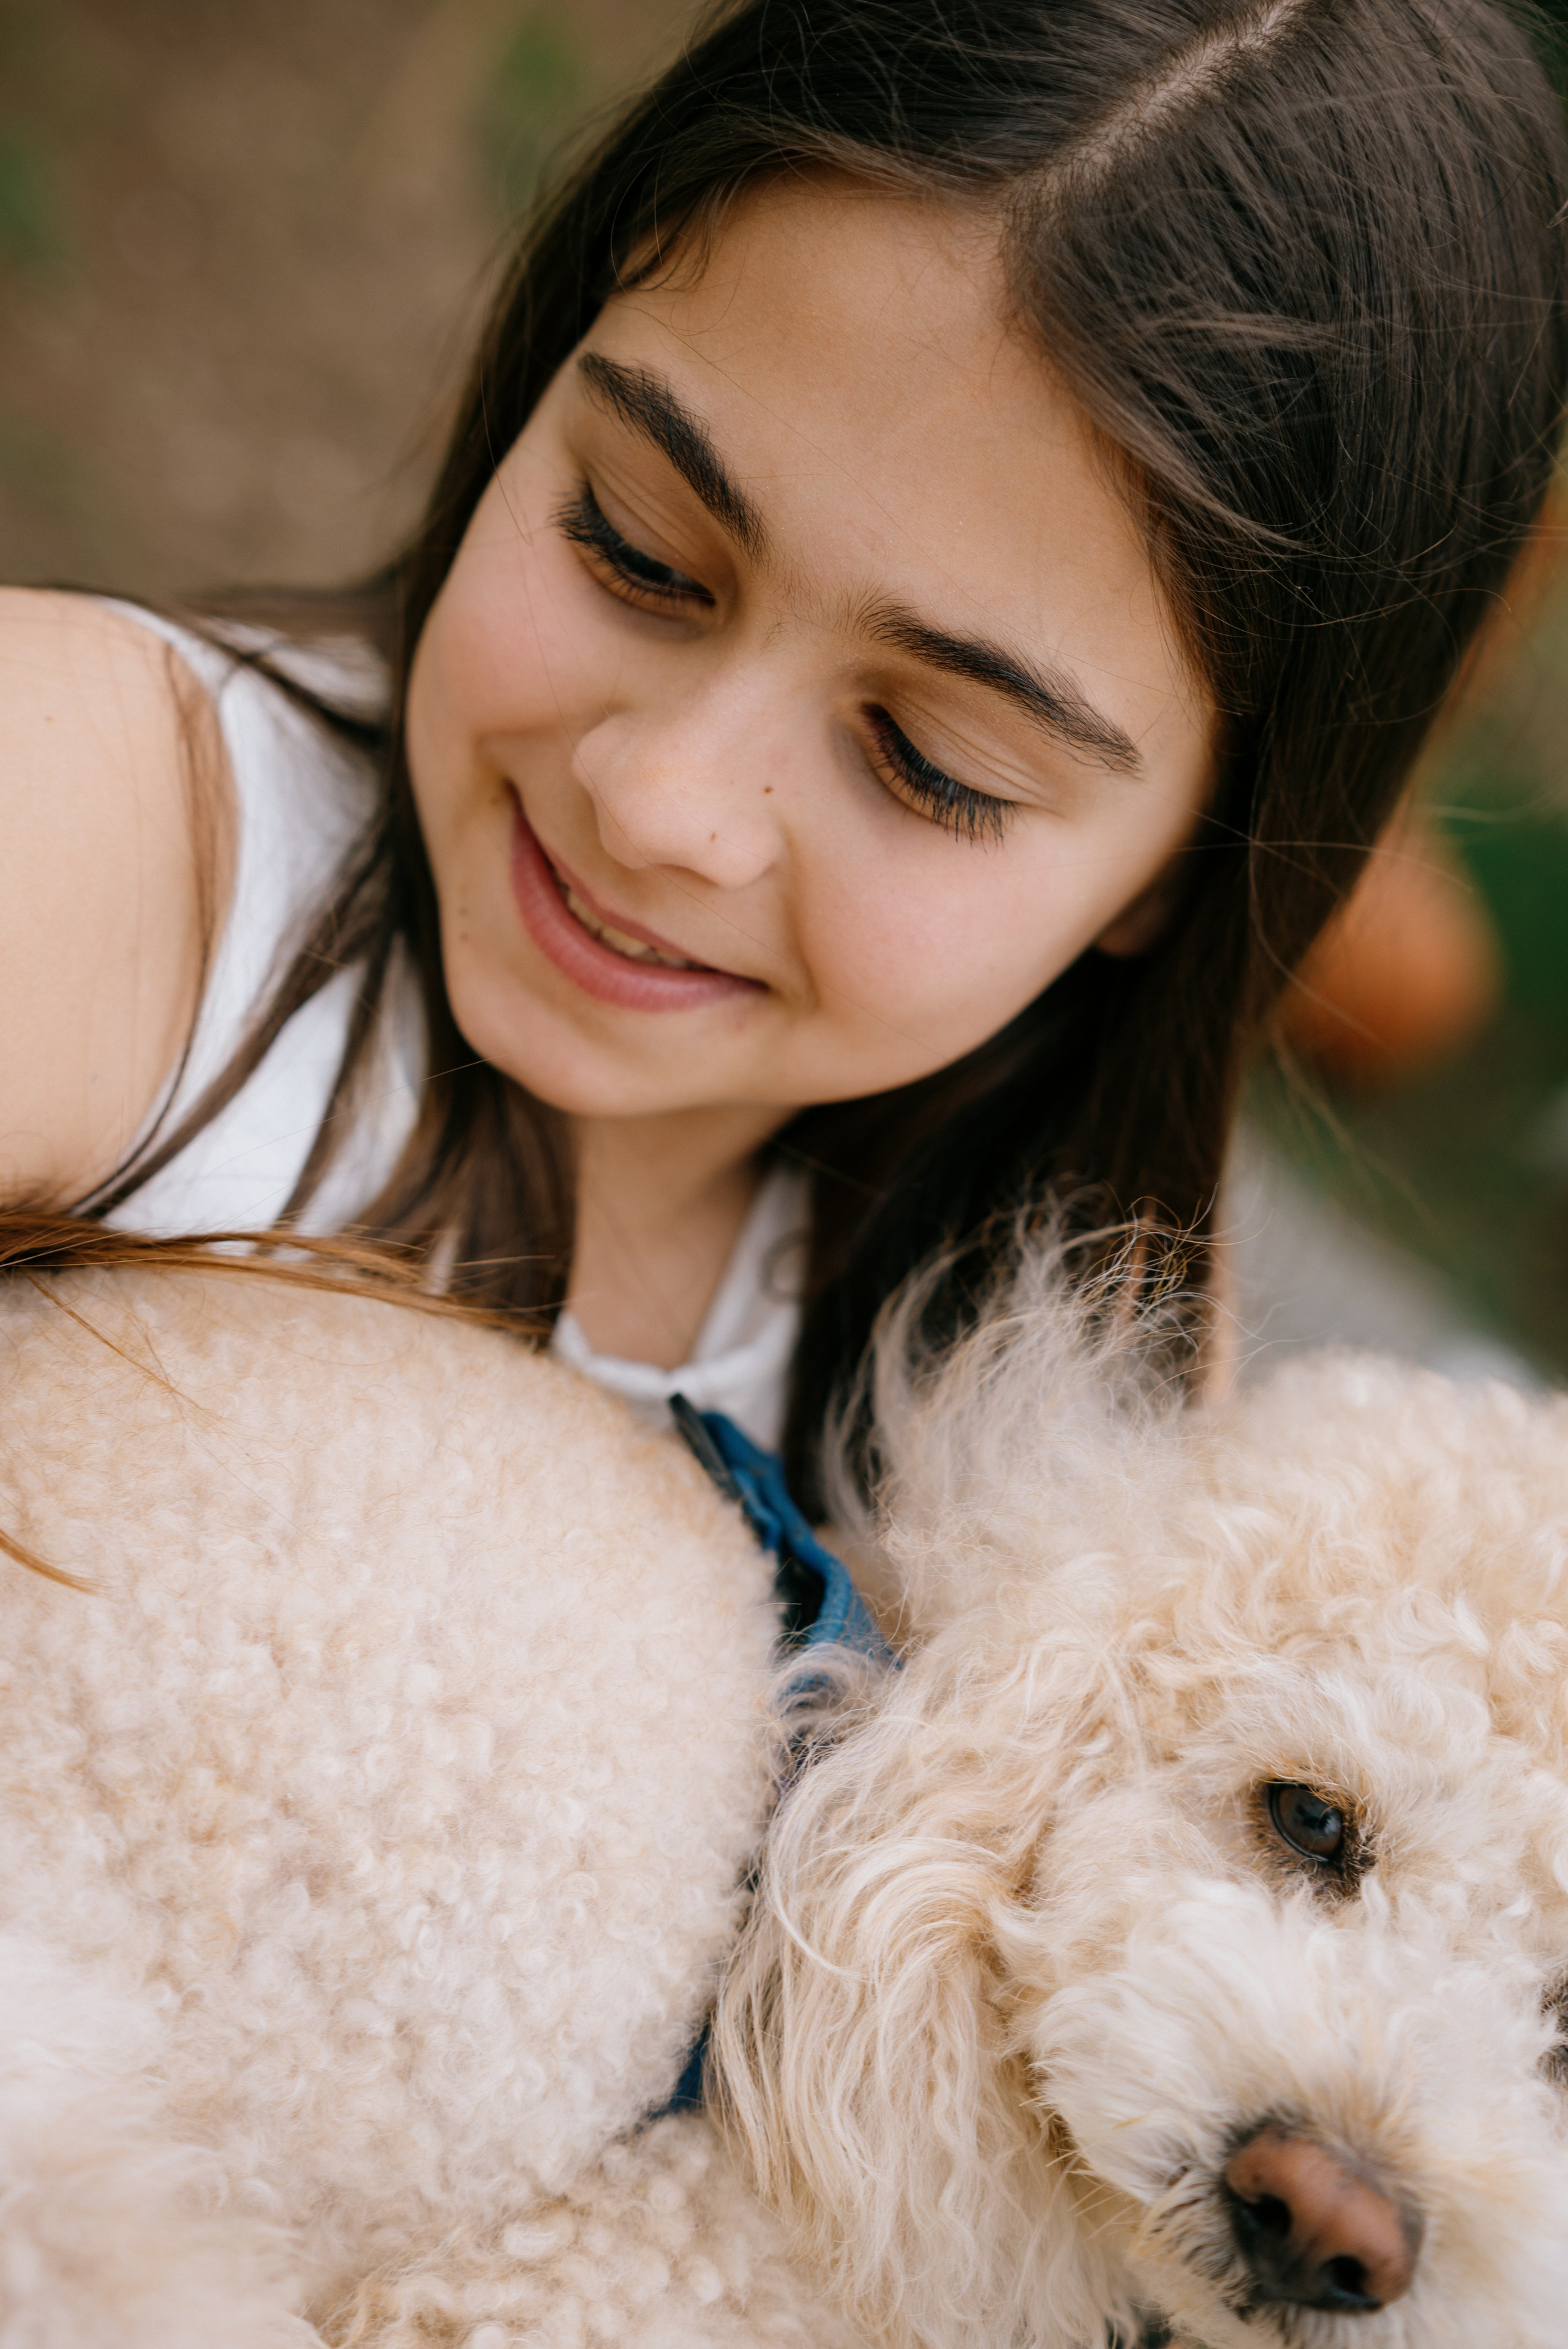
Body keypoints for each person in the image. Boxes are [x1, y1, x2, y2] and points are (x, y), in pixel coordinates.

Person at [2, 0, 1565, 1512]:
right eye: (635, 549)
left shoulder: (1068, 1369)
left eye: (930, 760)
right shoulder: (101, 823)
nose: (660, 800)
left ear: (1182, 865)